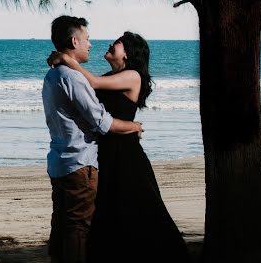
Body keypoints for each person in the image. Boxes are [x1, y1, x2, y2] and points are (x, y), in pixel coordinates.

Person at [49, 32, 190, 262]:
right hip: (104, 152)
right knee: (108, 214)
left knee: (136, 212)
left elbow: (91, 82)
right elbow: (86, 93)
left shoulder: (132, 76)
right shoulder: (110, 76)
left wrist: (68, 60)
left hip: (126, 156)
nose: (110, 44)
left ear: (128, 54)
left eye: (117, 43)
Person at [42, 16, 143, 263]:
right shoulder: (74, 78)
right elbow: (101, 122)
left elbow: (94, 88)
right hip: (80, 161)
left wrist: (64, 59)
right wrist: (134, 126)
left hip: (63, 160)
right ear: (74, 40)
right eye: (87, 39)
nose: (91, 44)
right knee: (77, 228)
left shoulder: (54, 75)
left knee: (64, 225)